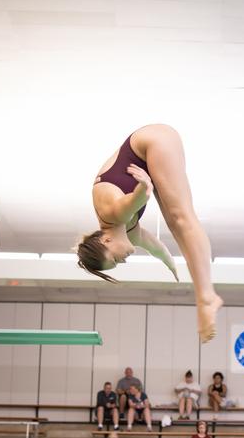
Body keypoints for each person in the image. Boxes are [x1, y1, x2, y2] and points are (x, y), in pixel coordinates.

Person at [75, 124, 223, 342]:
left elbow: (134, 200)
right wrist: (171, 266)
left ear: (106, 240)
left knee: (181, 217)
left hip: (151, 141)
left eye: (115, 259)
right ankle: (203, 293)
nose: (123, 260)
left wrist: (144, 188)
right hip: (149, 159)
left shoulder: (111, 213)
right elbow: (157, 249)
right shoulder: (130, 234)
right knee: (175, 224)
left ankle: (206, 296)